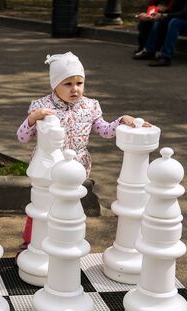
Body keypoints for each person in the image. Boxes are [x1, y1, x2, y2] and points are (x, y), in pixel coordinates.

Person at [15, 52, 150, 256]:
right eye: (67, 83)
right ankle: (30, 242)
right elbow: (22, 138)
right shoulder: (41, 106)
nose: (75, 89)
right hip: (49, 167)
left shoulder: (90, 105)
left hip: (78, 166)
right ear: (54, 84)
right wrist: (33, 118)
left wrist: (123, 119)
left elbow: (105, 131)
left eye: (79, 82)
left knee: (70, 204)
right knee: (43, 204)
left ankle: (66, 240)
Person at [133, 0, 187, 66]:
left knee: (175, 22)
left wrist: (164, 15)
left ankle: (166, 57)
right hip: (186, 18)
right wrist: (153, 15)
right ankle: (149, 51)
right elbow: (172, 10)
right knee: (160, 20)